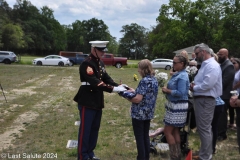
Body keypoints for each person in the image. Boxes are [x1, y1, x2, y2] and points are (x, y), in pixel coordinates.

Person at [73, 40, 127, 160]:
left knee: (94, 129)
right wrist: (114, 89)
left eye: (103, 51)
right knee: (85, 130)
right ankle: (82, 156)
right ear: (93, 50)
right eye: (100, 51)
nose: (103, 53)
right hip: (87, 100)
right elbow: (95, 83)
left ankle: (90, 153)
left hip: (97, 100)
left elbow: (106, 78)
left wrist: (120, 86)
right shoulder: (87, 64)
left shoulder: (100, 63)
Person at [190, 43, 222, 160]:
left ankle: (205, 156)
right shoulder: (206, 64)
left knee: (204, 129)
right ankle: (205, 154)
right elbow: (204, 81)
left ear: (203, 52)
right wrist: (194, 84)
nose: (196, 56)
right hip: (202, 99)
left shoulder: (212, 65)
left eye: (197, 54)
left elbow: (208, 84)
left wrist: (195, 88)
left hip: (206, 99)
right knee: (204, 128)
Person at [126, 59, 158, 160]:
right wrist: (133, 91)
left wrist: (124, 94)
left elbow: (137, 99)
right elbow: (145, 95)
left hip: (139, 114)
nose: (138, 71)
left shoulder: (144, 81)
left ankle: (141, 157)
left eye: (139, 68)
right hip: (148, 113)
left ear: (143, 69)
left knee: (139, 137)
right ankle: (146, 157)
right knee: (145, 136)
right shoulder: (154, 79)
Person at [162, 54, 189, 160]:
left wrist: (168, 91)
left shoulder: (182, 76)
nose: (172, 64)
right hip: (174, 105)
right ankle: (177, 154)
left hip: (178, 106)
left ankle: (174, 155)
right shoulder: (178, 74)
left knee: (167, 131)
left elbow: (181, 92)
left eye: (174, 62)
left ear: (182, 64)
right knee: (175, 130)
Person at [217, 48, 235, 141]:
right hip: (220, 94)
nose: (219, 56)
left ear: (226, 55)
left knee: (222, 115)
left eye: (221, 55)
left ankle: (222, 134)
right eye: (219, 54)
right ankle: (218, 132)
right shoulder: (222, 64)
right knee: (219, 115)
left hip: (224, 95)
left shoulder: (229, 66)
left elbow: (224, 82)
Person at [210, 52, 225, 154]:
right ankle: (211, 148)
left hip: (215, 103)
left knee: (212, 127)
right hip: (217, 102)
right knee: (212, 127)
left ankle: (211, 148)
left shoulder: (213, 71)